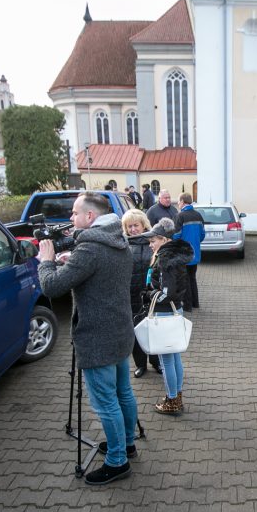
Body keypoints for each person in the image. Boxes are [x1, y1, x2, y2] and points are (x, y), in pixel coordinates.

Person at [37, 191, 138, 486]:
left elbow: (52, 287)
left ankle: (117, 461)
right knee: (123, 393)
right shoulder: (117, 240)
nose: (71, 217)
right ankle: (126, 444)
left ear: (90, 217)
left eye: (75, 212)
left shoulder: (90, 249)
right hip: (119, 331)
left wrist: (48, 260)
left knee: (106, 402)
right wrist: (71, 261)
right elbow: (97, 274)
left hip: (97, 337)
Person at [141, 218, 193, 415]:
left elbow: (167, 292)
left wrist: (148, 295)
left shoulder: (165, 259)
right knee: (174, 357)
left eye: (153, 240)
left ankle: (172, 400)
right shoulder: (174, 255)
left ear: (163, 239)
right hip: (174, 311)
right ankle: (176, 396)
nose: (150, 244)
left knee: (167, 360)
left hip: (165, 313)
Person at [121, 209, 160, 378]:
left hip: (151, 295)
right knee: (136, 331)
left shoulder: (153, 242)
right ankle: (140, 364)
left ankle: (156, 361)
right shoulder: (123, 244)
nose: (133, 229)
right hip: (131, 295)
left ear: (144, 225)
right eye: (129, 226)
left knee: (153, 329)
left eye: (135, 225)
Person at [174, 193, 205, 311]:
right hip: (195, 253)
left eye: (178, 201)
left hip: (183, 254)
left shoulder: (180, 216)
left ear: (182, 201)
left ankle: (187, 306)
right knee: (192, 278)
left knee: (184, 279)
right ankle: (195, 303)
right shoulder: (198, 215)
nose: (178, 203)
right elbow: (202, 234)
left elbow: (176, 236)